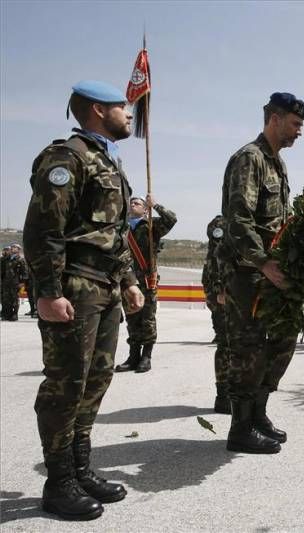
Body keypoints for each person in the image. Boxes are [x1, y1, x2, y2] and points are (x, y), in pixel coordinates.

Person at [23, 80, 145, 520]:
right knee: (65, 386)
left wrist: (129, 279)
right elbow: (43, 230)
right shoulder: (67, 156)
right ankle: (58, 485)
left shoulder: (107, 160)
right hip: (75, 286)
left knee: (96, 380)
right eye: (121, 107)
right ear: (97, 110)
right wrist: (48, 292)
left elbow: (113, 234)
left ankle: (79, 469)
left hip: (106, 286)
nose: (129, 113)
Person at [217, 91, 304, 454]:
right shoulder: (249, 159)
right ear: (275, 119)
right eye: (295, 124)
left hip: (273, 272)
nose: (300, 132)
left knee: (283, 342)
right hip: (249, 273)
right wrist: (264, 263)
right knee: (249, 349)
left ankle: (258, 412)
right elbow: (237, 219)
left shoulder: (278, 164)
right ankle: (240, 427)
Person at [114, 195, 177, 373]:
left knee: (147, 318)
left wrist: (155, 205)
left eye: (137, 203)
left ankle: (146, 356)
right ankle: (133, 356)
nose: (133, 205)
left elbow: (171, 219)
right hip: (127, 280)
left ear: (145, 209)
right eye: (131, 202)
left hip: (146, 278)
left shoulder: (151, 225)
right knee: (132, 318)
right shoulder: (120, 226)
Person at [202, 215, 231, 413]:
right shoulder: (220, 223)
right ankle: (223, 397)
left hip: (231, 291)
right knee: (226, 345)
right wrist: (220, 290)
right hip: (223, 294)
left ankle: (231, 395)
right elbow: (217, 257)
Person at [1, 243, 27, 321]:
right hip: (6, 282)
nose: (12, 249)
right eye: (12, 247)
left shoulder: (20, 259)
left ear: (19, 250)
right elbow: (3, 270)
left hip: (15, 282)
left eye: (15, 247)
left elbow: (24, 272)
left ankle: (15, 314)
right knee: (6, 299)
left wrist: (22, 282)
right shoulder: (7, 259)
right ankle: (7, 314)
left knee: (14, 299)